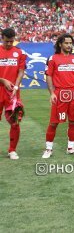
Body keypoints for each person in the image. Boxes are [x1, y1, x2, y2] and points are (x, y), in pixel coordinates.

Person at [42, 34, 74, 158]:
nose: (69, 45)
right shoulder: (53, 58)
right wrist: (52, 93)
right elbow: (48, 76)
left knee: (73, 122)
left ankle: (71, 147)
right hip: (60, 94)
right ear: (60, 44)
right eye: (66, 43)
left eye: (70, 43)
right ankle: (48, 149)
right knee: (54, 123)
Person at [0, 28, 26, 160]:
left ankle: (12, 150)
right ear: (2, 37)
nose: (9, 44)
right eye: (7, 41)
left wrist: (16, 85)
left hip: (12, 93)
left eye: (11, 41)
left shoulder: (19, 53)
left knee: (14, 122)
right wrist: (3, 80)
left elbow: (21, 71)